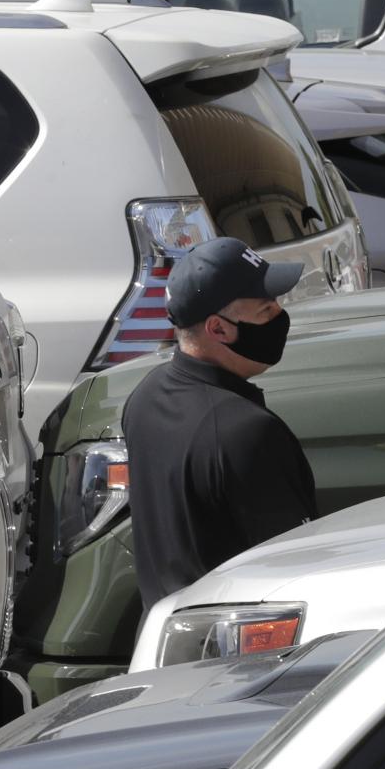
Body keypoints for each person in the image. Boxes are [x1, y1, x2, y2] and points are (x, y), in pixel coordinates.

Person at [124, 237, 317, 612]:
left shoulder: (145, 396)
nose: (280, 314)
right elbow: (293, 571)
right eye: (265, 309)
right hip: (231, 655)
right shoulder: (244, 430)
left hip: (165, 639)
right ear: (218, 329)